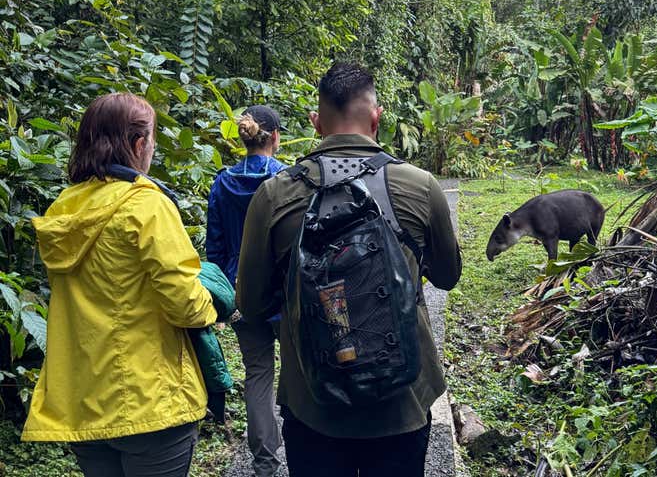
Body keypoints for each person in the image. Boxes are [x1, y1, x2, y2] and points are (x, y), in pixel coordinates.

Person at [235, 63, 462, 477]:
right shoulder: (421, 186)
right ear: (377, 118)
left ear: (316, 123)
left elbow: (249, 304)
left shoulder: (273, 195)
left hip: (313, 404)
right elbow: (448, 277)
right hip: (402, 403)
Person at [21, 92, 217, 477]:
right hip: (150, 401)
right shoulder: (147, 205)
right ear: (138, 143)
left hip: (84, 400)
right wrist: (214, 304)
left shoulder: (64, 208)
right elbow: (185, 303)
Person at [206, 105, 286, 477]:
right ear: (275, 137)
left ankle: (265, 464)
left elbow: (216, 250)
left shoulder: (222, 183)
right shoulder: (288, 179)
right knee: (299, 371)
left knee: (257, 374)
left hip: (241, 293)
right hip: (285, 293)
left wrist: (227, 299)